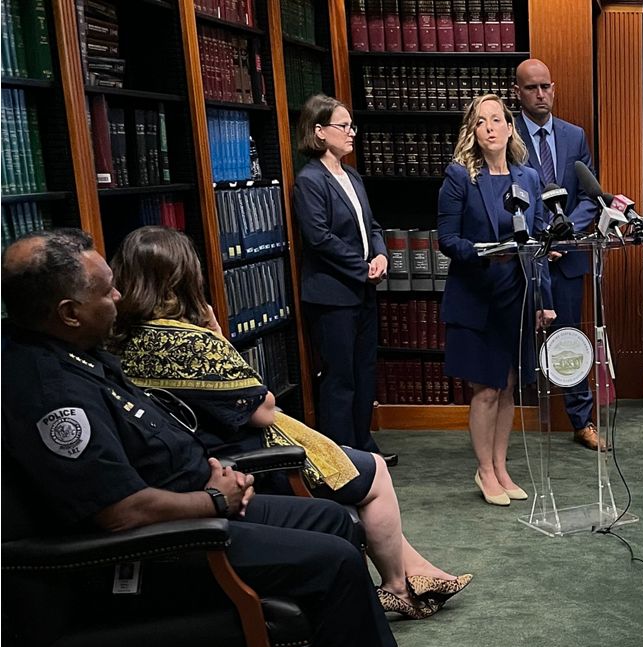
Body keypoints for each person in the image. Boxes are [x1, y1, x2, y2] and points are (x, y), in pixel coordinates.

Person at [0, 229, 439, 647]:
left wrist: (209, 479)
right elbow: (119, 512)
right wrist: (211, 498)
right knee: (335, 561)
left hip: (191, 508)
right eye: (106, 291)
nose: (119, 297)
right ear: (69, 313)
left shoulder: (79, 355)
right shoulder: (52, 393)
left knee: (334, 520)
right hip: (162, 547)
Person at [107, 226, 472, 620]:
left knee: (360, 471)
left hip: (196, 458)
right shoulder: (190, 343)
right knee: (374, 471)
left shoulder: (115, 342)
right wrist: (217, 336)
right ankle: (397, 586)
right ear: (185, 277)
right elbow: (262, 407)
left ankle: (418, 572)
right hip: (245, 461)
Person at [436, 93, 554, 506]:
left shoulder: (528, 178)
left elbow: (538, 245)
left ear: (509, 127)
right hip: (477, 296)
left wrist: (543, 299)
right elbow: (447, 239)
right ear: (473, 131)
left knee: (508, 388)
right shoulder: (459, 177)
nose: (489, 127)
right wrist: (485, 252)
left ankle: (501, 467)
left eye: (496, 119)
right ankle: (484, 470)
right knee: (486, 388)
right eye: (481, 121)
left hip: (516, 297)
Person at [291, 94, 396, 466]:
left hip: (363, 290)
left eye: (352, 125)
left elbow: (373, 226)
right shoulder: (309, 180)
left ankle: (363, 446)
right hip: (332, 296)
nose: (352, 132)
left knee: (365, 372)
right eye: (344, 126)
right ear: (320, 131)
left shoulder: (351, 175)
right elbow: (319, 238)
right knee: (340, 377)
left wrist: (381, 255)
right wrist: (362, 267)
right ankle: (341, 457)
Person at [513, 58, 607, 452]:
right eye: (531, 88)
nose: (541, 94)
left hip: (566, 257)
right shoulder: (506, 134)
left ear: (553, 89)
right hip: (523, 260)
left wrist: (562, 234)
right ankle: (510, 421)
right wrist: (541, 237)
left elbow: (589, 195)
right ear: (518, 92)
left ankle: (582, 421)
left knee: (569, 339)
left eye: (546, 87)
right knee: (517, 338)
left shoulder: (574, 135)